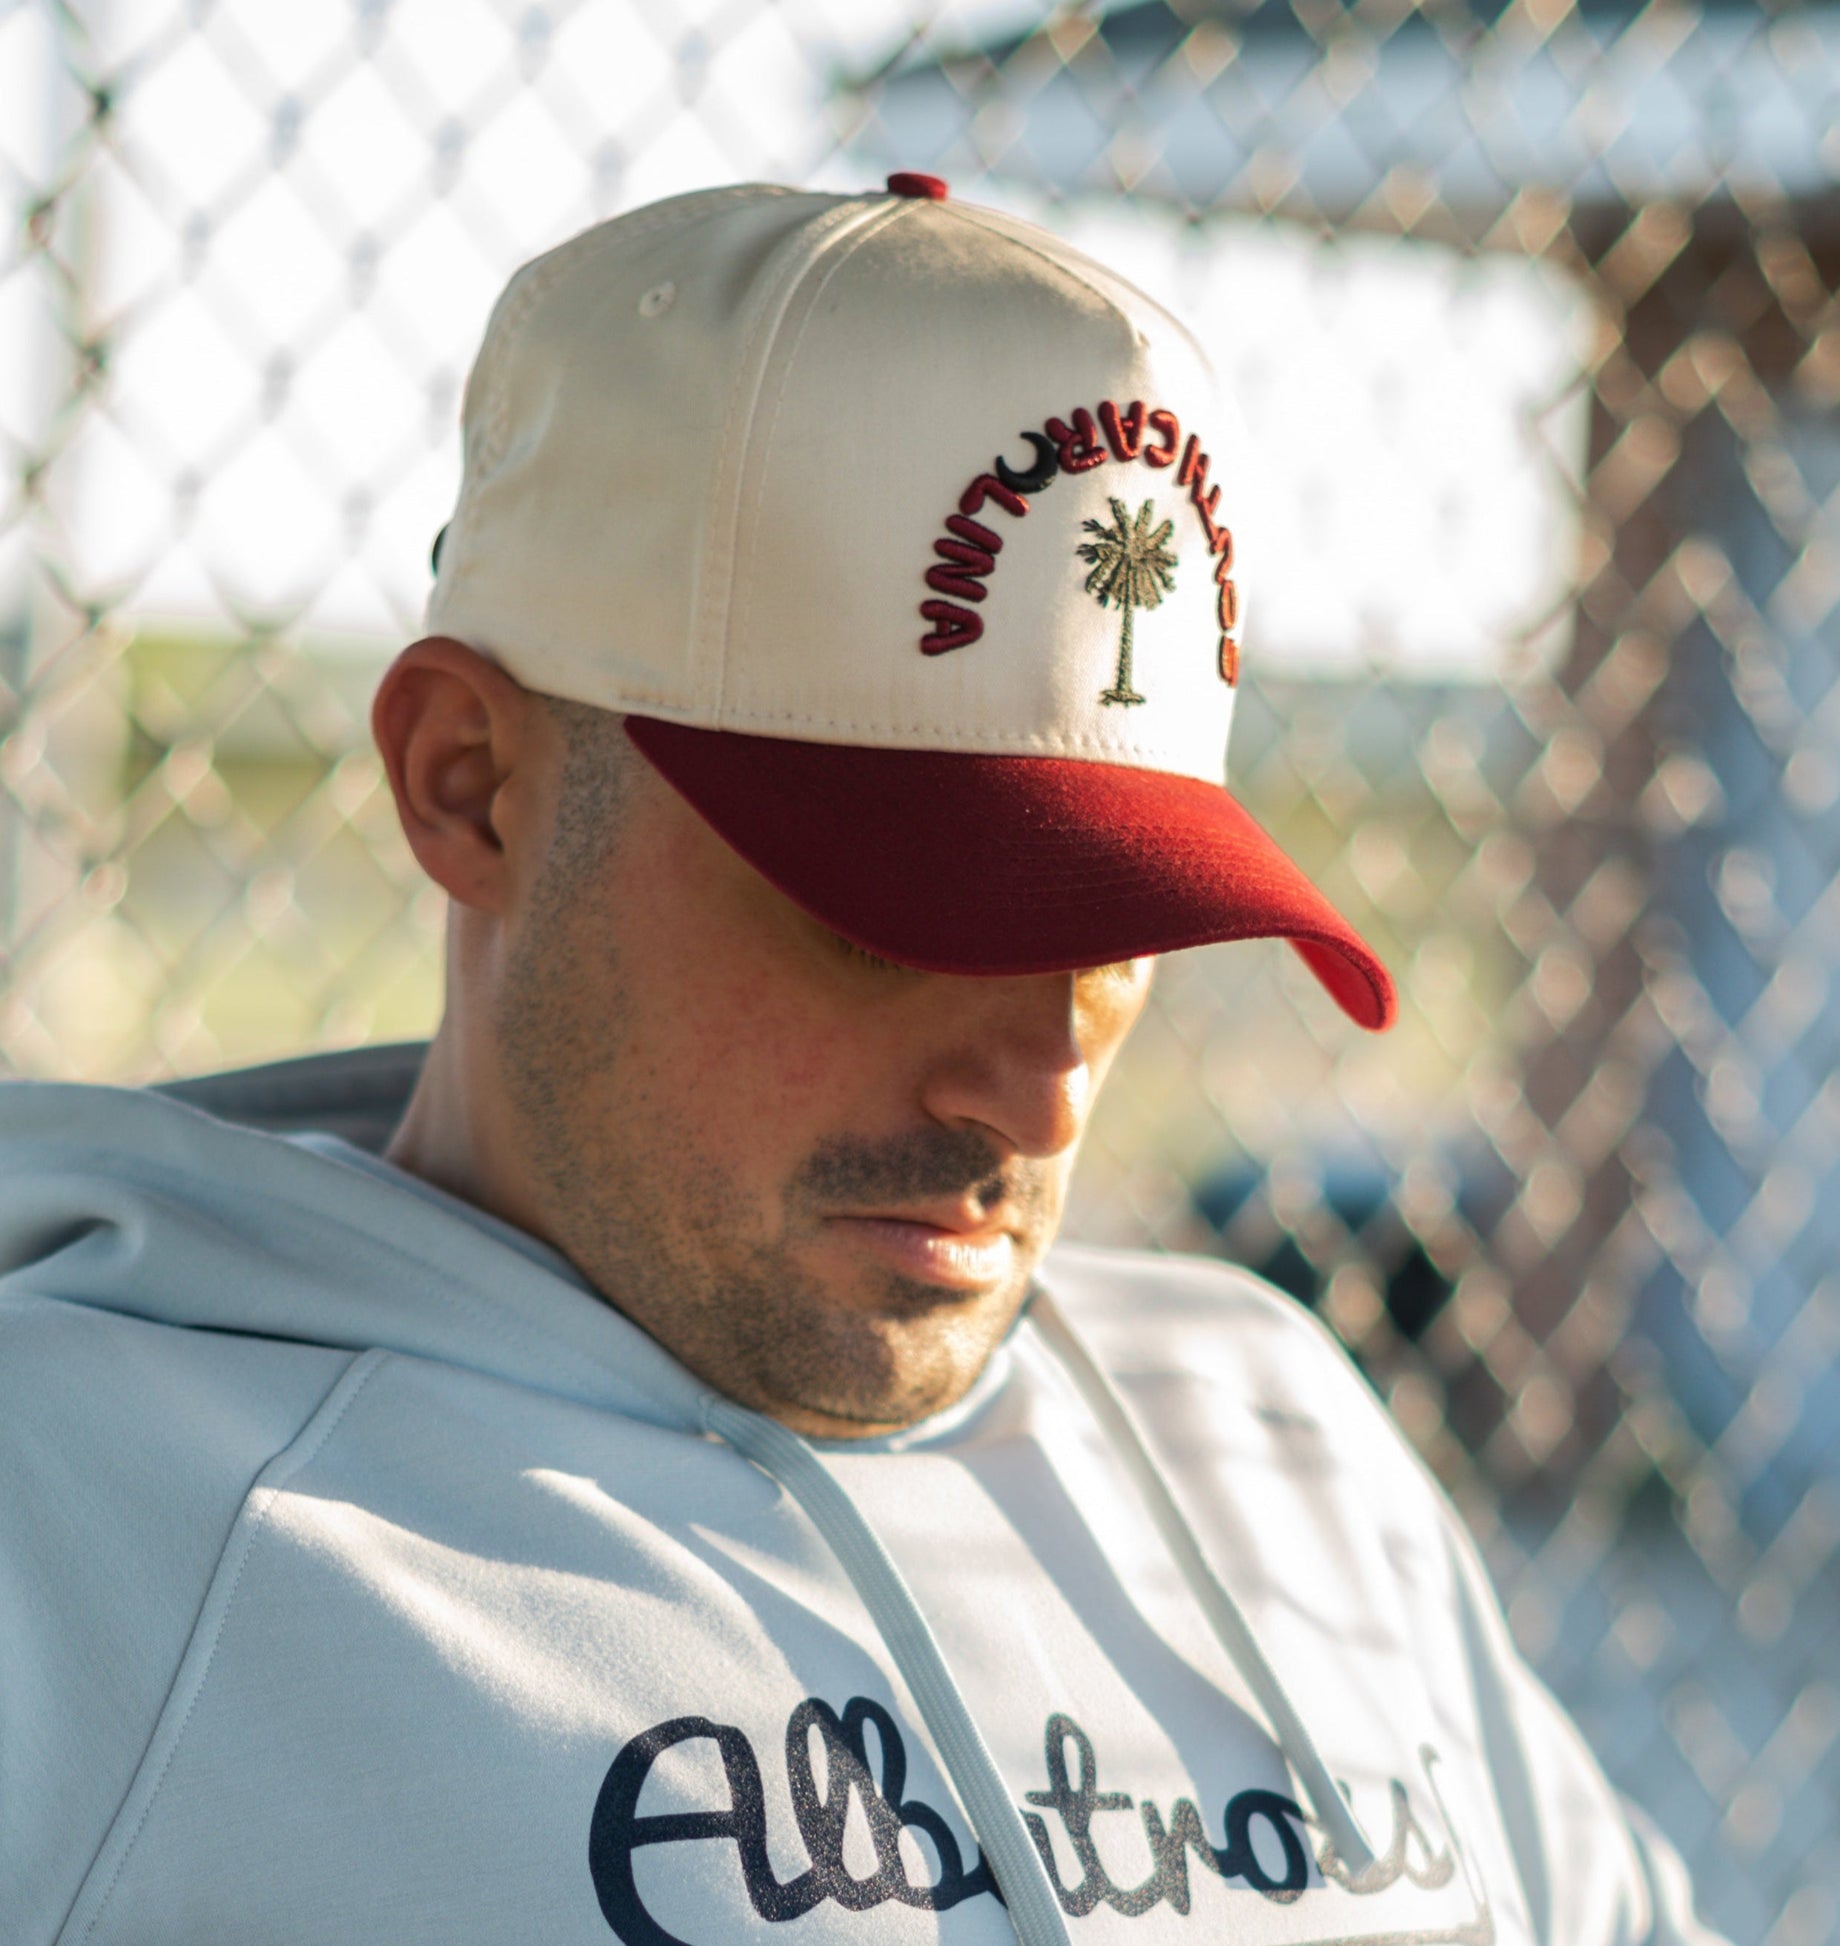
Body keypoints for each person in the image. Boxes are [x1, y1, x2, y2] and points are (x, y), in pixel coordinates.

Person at [0, 178, 1727, 1946]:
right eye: (897, 921)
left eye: (1114, 936)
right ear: (472, 782)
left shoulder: (1274, 1429)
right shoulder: (81, 1529)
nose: (1041, 1093)